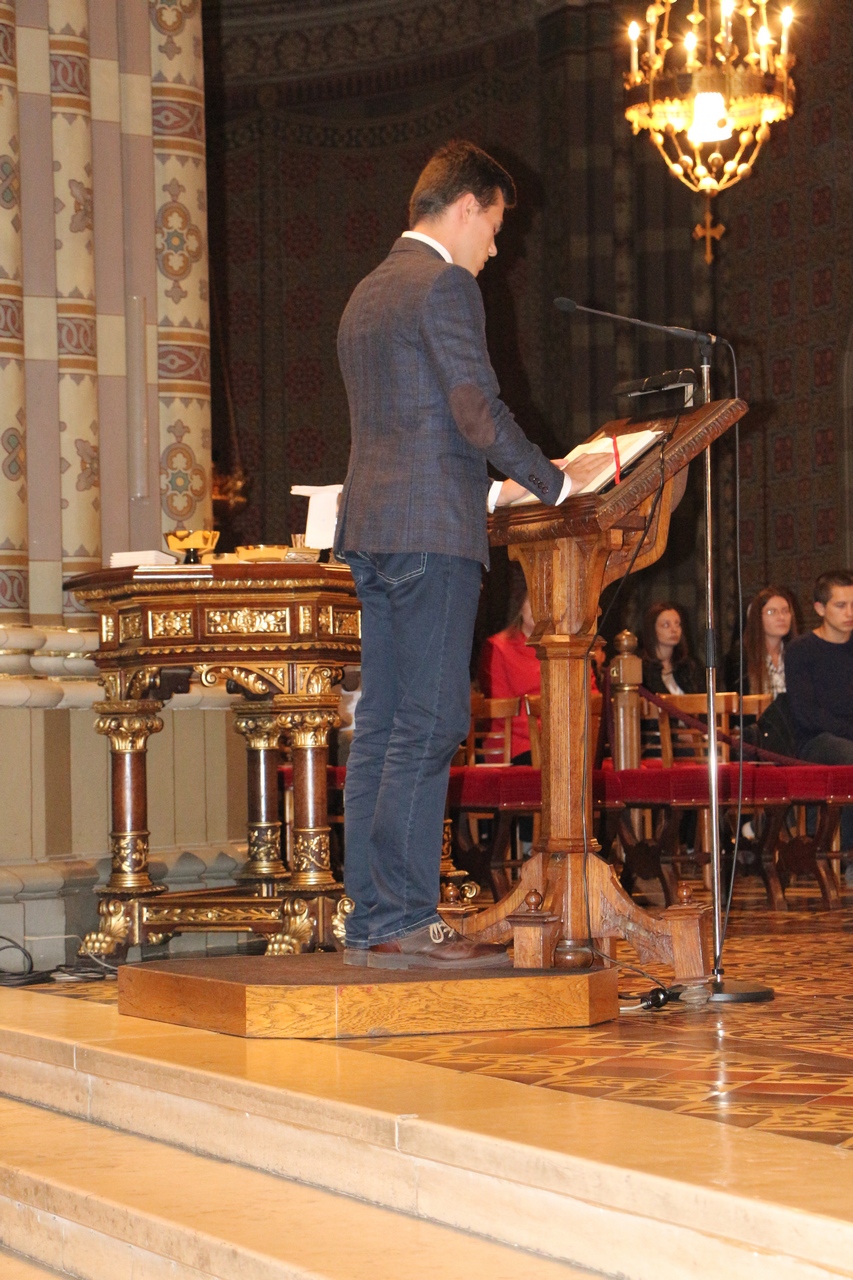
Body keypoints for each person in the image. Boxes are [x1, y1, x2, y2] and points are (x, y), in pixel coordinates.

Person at [334, 139, 605, 970]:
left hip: (375, 529)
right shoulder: (444, 284)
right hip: (429, 539)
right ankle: (407, 918)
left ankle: (373, 917)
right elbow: (474, 410)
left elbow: (411, 426)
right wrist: (553, 482)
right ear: (463, 207)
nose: (494, 249)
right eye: (493, 227)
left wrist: (490, 492)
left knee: (382, 724)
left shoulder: (368, 291)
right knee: (429, 723)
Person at [785, 570, 853, 848]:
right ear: (820, 608)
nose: (850, 612)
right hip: (815, 741)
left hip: (847, 736)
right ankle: (847, 853)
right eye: (841, 605)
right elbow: (807, 714)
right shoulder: (801, 650)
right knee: (849, 756)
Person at [477, 589, 539, 763]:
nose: (538, 609)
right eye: (532, 601)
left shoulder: (568, 650)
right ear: (520, 606)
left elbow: (591, 698)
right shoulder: (497, 647)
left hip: (560, 739)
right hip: (515, 745)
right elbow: (502, 710)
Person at [725, 586, 798, 697]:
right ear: (757, 617)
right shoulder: (740, 657)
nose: (781, 617)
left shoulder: (798, 653)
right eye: (772, 612)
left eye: (785, 611)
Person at [639, 601, 703, 696]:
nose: (674, 630)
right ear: (652, 630)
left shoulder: (689, 667)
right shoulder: (641, 670)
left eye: (677, 624)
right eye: (666, 625)